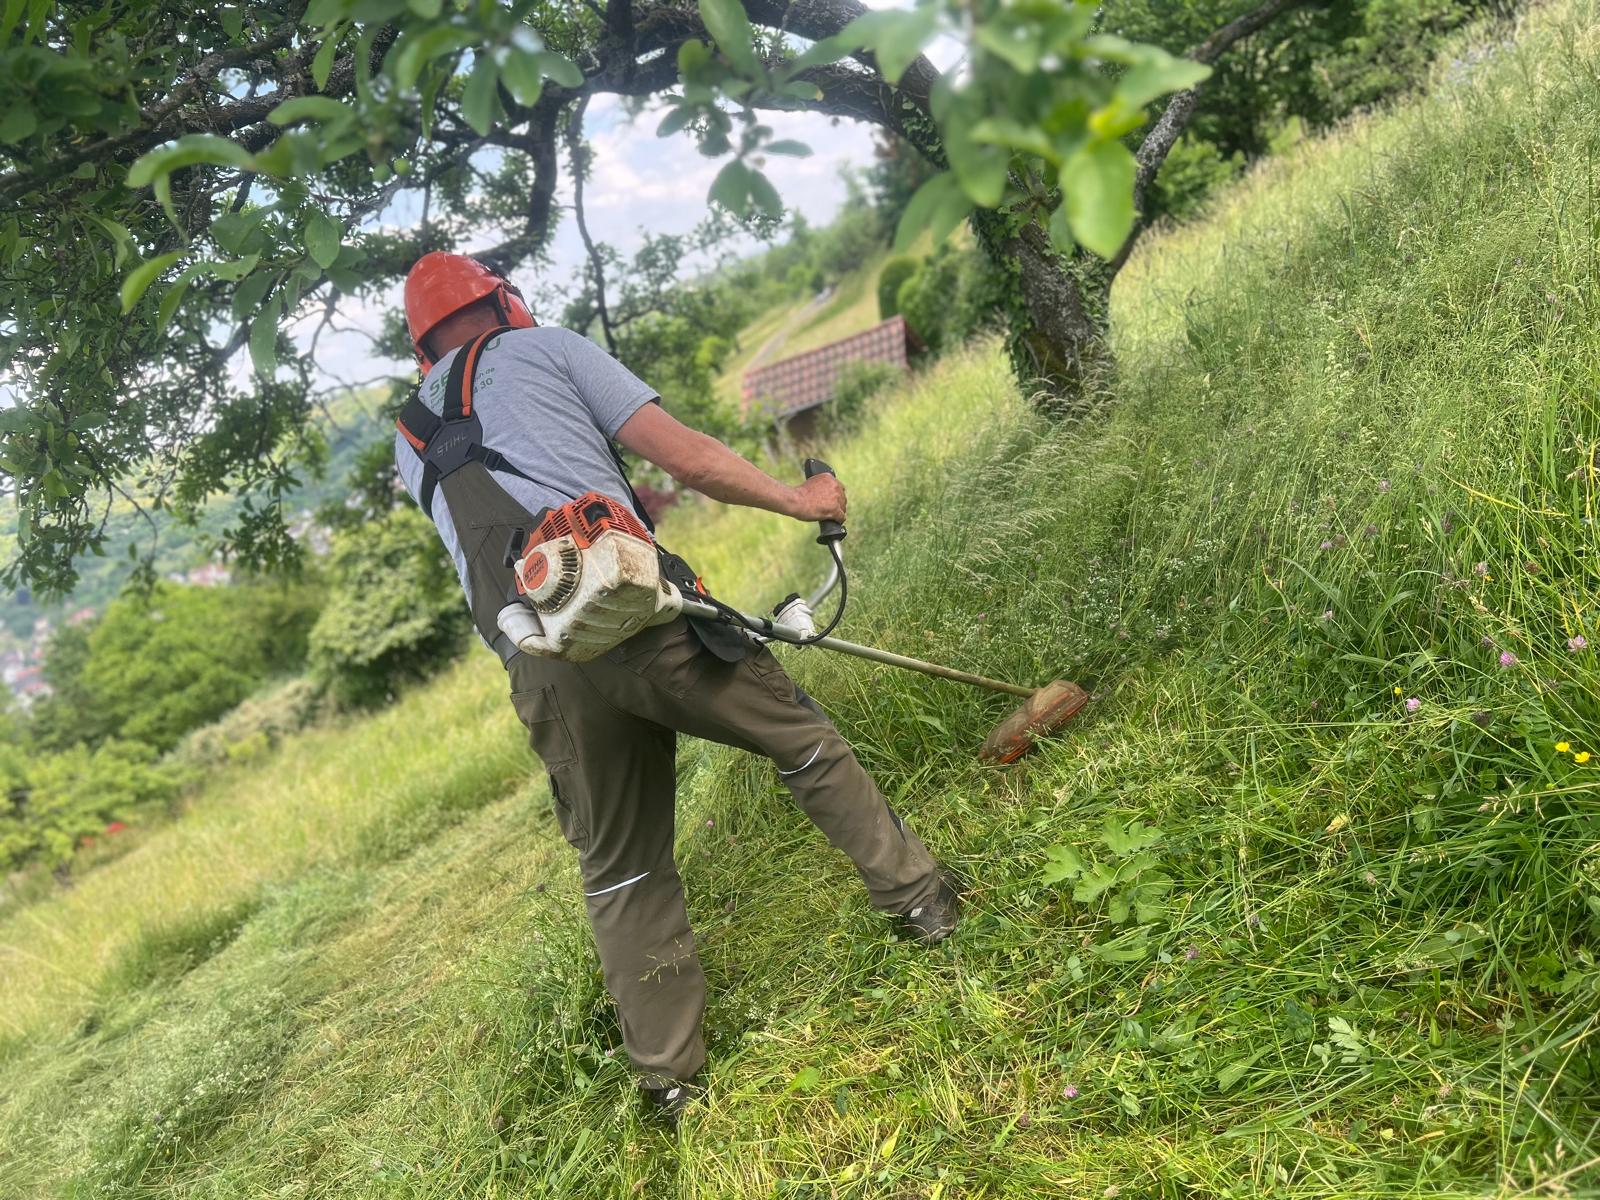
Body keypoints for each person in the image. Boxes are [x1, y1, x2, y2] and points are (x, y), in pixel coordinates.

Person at [395, 252, 958, 1119]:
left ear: (420, 345)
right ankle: (922, 904)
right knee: (801, 742)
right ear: (503, 300)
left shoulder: (410, 438)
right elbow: (686, 459)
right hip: (643, 621)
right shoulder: (545, 347)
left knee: (620, 867)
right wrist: (803, 501)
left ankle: (669, 1080)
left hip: (541, 665)